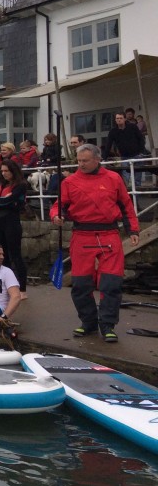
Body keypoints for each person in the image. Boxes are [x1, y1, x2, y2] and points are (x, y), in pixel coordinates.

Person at [50, 143, 140, 343]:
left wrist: (132, 230)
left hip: (109, 235)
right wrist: (57, 216)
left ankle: (107, 325)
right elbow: (59, 205)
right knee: (81, 285)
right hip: (82, 235)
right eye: (79, 160)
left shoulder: (113, 179)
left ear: (97, 159)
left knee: (111, 284)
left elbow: (126, 206)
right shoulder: (70, 182)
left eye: (85, 161)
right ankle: (88, 323)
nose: (80, 164)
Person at [0, 159, 28, 297]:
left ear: (13, 171)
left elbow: (7, 201)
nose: (3, 174)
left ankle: (22, 289)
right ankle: (7, 286)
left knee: (16, 255)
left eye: (6, 171)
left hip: (12, 222)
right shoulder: (1, 183)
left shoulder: (21, 184)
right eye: (2, 171)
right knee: (2, 256)